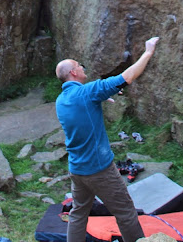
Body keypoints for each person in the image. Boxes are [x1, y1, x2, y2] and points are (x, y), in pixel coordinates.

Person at [55, 37, 160, 242]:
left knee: (78, 213)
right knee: (125, 212)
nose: (82, 67)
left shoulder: (62, 100)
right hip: (99, 170)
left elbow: (83, 107)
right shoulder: (88, 92)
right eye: (79, 65)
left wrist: (99, 97)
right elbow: (128, 77)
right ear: (73, 73)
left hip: (77, 169)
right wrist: (148, 52)